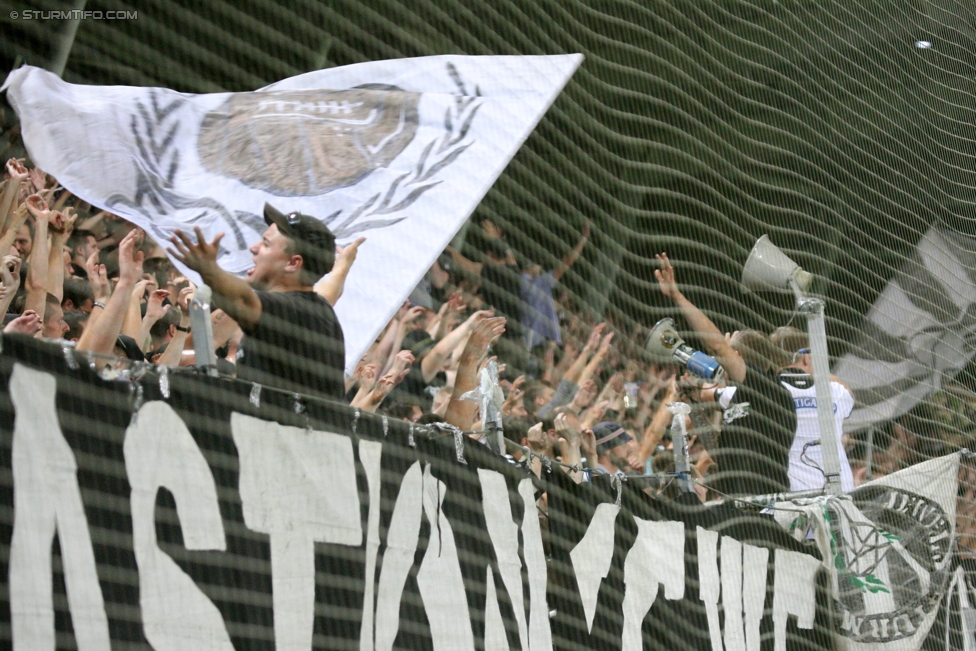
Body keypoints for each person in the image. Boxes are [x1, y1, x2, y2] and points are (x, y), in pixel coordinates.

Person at [169, 203, 346, 400]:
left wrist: (209, 270)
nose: (254, 248)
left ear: (293, 263)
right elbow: (330, 289)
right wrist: (344, 265)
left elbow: (242, 300)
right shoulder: (312, 309)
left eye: (266, 244)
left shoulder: (293, 311)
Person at [655, 252, 795, 496]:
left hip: (765, 505)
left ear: (742, 358)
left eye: (733, 352)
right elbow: (718, 452)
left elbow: (716, 346)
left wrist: (677, 296)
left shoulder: (770, 391)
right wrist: (695, 407)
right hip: (738, 504)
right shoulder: (740, 398)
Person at [770, 326, 855, 492]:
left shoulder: (769, 392)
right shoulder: (833, 391)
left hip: (798, 497)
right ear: (807, 359)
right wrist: (818, 370)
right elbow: (850, 395)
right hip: (841, 492)